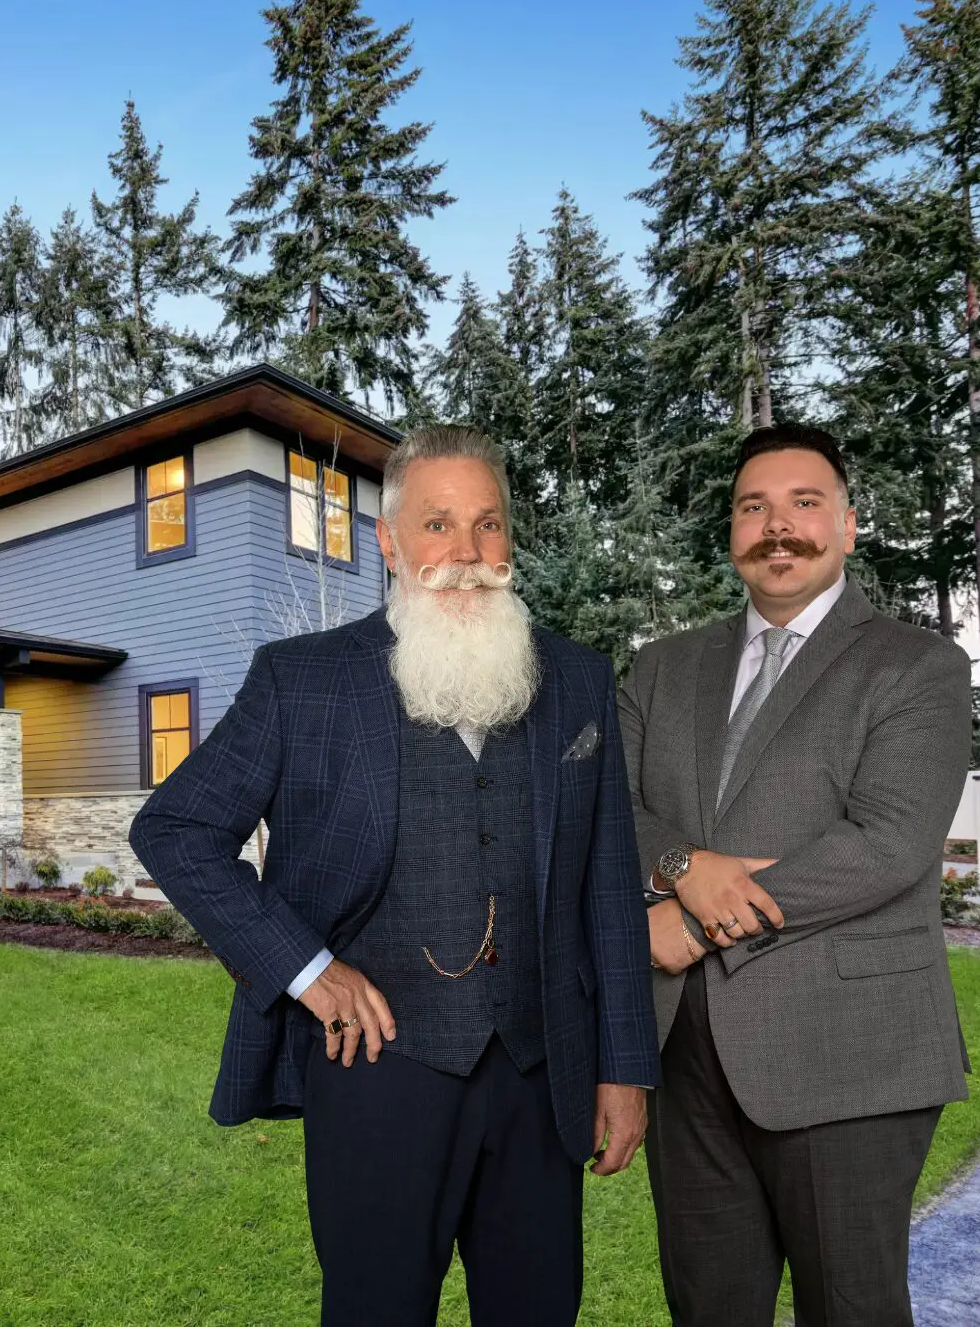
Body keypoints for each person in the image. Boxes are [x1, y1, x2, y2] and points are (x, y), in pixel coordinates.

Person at [130, 425, 658, 1326]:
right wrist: (307, 968)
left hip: (541, 1075)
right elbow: (175, 827)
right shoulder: (302, 679)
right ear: (387, 539)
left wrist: (625, 1066)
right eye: (438, 524)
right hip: (376, 1075)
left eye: (488, 526)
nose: (466, 554)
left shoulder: (576, 680)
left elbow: (608, 885)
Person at [619, 423, 972, 1327]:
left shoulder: (917, 664)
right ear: (733, 533)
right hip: (687, 1056)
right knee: (708, 1308)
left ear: (848, 526)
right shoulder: (661, 670)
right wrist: (681, 863)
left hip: (849, 1055)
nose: (779, 527)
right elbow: (607, 807)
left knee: (850, 1309)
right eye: (754, 508)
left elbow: (886, 842)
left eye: (804, 504)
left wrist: (695, 920)